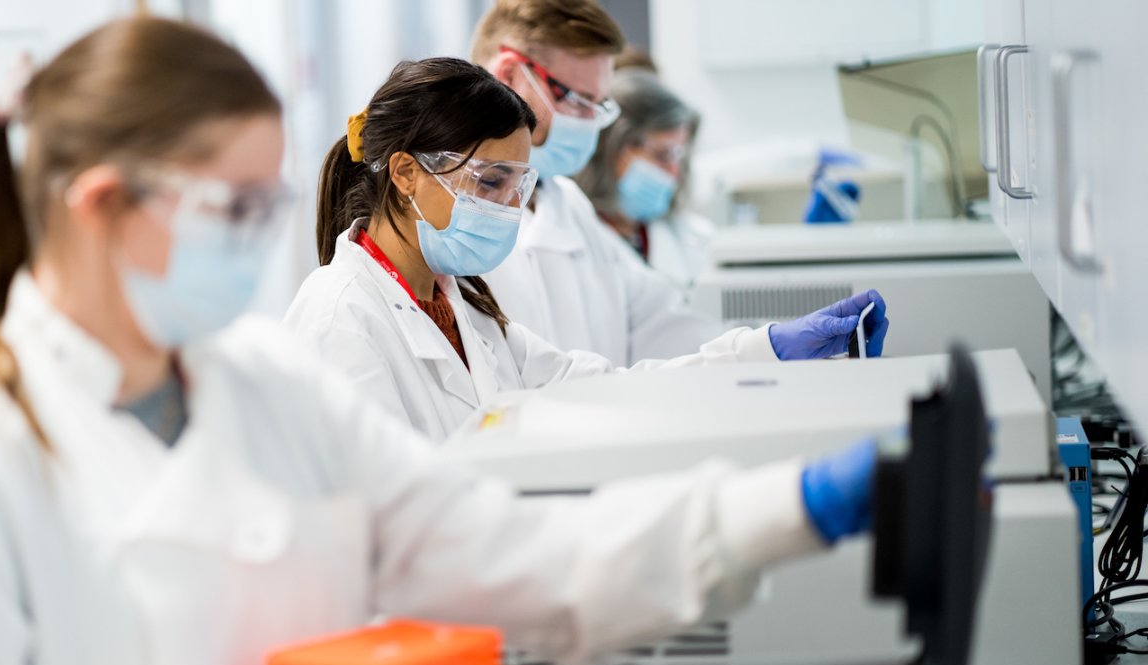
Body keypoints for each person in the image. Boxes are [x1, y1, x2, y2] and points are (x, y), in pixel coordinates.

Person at [0, 17, 878, 665]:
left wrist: (787, 509)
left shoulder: (255, 388)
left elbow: (515, 554)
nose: (259, 239)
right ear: (101, 206)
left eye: (269, 206)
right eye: (234, 210)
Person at [285, 57, 887, 444]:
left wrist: (766, 352)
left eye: (519, 187)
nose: (507, 208)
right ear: (407, 173)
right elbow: (376, 531)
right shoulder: (343, 320)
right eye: (490, 181)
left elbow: (608, 389)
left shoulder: (462, 309)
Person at [467, 0, 885, 365]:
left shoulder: (567, 206)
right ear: (510, 75)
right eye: (578, 101)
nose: (592, 125)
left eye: (599, 106)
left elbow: (663, 325)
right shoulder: (463, 226)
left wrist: (774, 345)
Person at [576, 68, 714, 292]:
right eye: (662, 155)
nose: (673, 173)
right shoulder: (572, 234)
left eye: (678, 157)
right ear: (612, 148)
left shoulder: (693, 238)